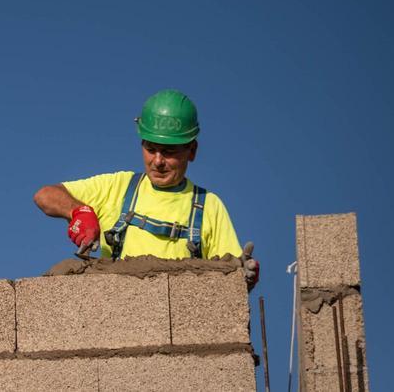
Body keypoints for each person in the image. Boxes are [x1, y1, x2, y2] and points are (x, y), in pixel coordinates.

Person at [34, 89, 259, 288]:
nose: (158, 161)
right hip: (115, 318)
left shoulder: (208, 206)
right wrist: (78, 211)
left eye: (169, 151)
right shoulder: (118, 188)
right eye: (150, 149)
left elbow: (228, 288)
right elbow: (45, 195)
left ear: (192, 151)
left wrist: (242, 278)